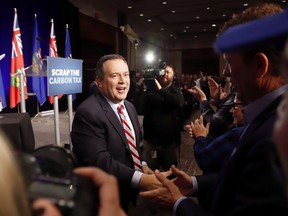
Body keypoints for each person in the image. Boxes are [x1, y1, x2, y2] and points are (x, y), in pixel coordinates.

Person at [139, 3, 288, 216]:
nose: (226, 72)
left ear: (259, 66)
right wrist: (194, 183)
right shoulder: (267, 113)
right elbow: (238, 175)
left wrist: (178, 203)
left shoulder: (277, 135)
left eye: (229, 63)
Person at [71, 54, 166, 212]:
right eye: (115, 76)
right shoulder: (88, 113)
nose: (123, 81)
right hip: (104, 199)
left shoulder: (129, 107)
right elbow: (100, 161)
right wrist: (142, 180)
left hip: (130, 193)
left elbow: (133, 145)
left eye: (126, 74)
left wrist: (143, 165)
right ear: (99, 82)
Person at [186, 95, 245, 173]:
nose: (230, 111)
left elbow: (205, 159)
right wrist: (204, 137)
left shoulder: (238, 132)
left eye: (234, 106)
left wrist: (200, 137)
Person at [142, 64, 184, 171]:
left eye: (168, 72)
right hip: (151, 141)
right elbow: (140, 105)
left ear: (173, 76)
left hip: (168, 142)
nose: (165, 74)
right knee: (150, 170)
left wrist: (161, 90)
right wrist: (141, 87)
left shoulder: (175, 91)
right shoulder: (151, 91)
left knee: (170, 171)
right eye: (162, 72)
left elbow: (176, 103)